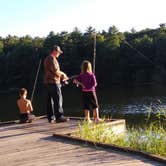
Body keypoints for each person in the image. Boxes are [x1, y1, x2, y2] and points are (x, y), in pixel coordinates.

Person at [43, 45, 69, 123]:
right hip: (54, 82)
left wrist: (61, 76)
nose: (59, 54)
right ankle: (59, 117)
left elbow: (53, 71)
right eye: (59, 52)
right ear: (55, 51)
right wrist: (63, 75)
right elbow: (55, 71)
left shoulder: (47, 58)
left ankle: (50, 117)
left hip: (48, 82)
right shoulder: (52, 59)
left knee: (49, 100)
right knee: (58, 99)